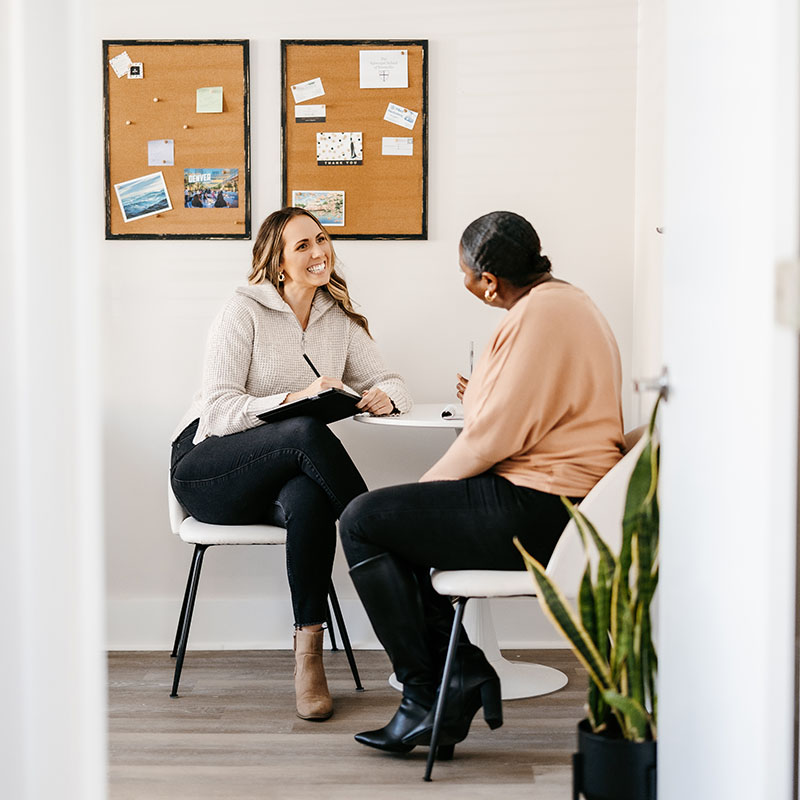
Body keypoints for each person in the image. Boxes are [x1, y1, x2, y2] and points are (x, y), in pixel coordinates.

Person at [339, 210, 625, 757]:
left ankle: (433, 691)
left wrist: (424, 492)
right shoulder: (570, 303)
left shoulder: (534, 319)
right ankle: (456, 678)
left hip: (539, 506)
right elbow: (517, 414)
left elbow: (490, 436)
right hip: (563, 503)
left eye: (465, 273)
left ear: (488, 282)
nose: (467, 282)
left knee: (363, 521)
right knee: (385, 524)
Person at [170, 207, 412, 722]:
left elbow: (391, 379)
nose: (318, 252)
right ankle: (394, 546)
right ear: (277, 262)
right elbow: (217, 411)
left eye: (321, 240)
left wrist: (385, 398)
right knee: (305, 430)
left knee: (308, 499)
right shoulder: (243, 311)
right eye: (302, 245)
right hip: (208, 468)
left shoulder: (337, 318)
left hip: (279, 475)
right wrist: (294, 399)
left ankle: (309, 658)